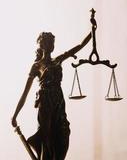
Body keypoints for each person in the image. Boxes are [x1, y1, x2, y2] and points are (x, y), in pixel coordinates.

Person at [11, 31, 92, 160]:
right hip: (45, 103)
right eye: (50, 42)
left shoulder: (58, 59)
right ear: (43, 45)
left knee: (63, 133)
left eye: (53, 42)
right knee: (46, 139)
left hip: (58, 101)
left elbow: (80, 45)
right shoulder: (36, 66)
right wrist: (15, 115)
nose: (52, 45)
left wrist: (92, 31)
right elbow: (25, 93)